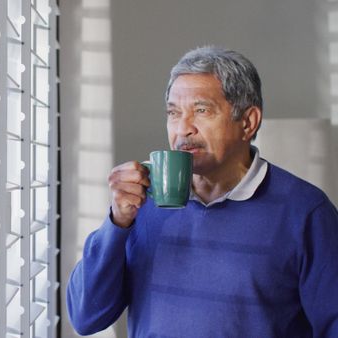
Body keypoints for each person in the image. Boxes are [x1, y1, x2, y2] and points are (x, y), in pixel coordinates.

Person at [66, 46, 338, 337]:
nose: (183, 128)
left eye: (201, 110)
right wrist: (117, 223)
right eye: (174, 112)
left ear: (248, 122)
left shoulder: (305, 211)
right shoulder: (142, 203)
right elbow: (85, 317)